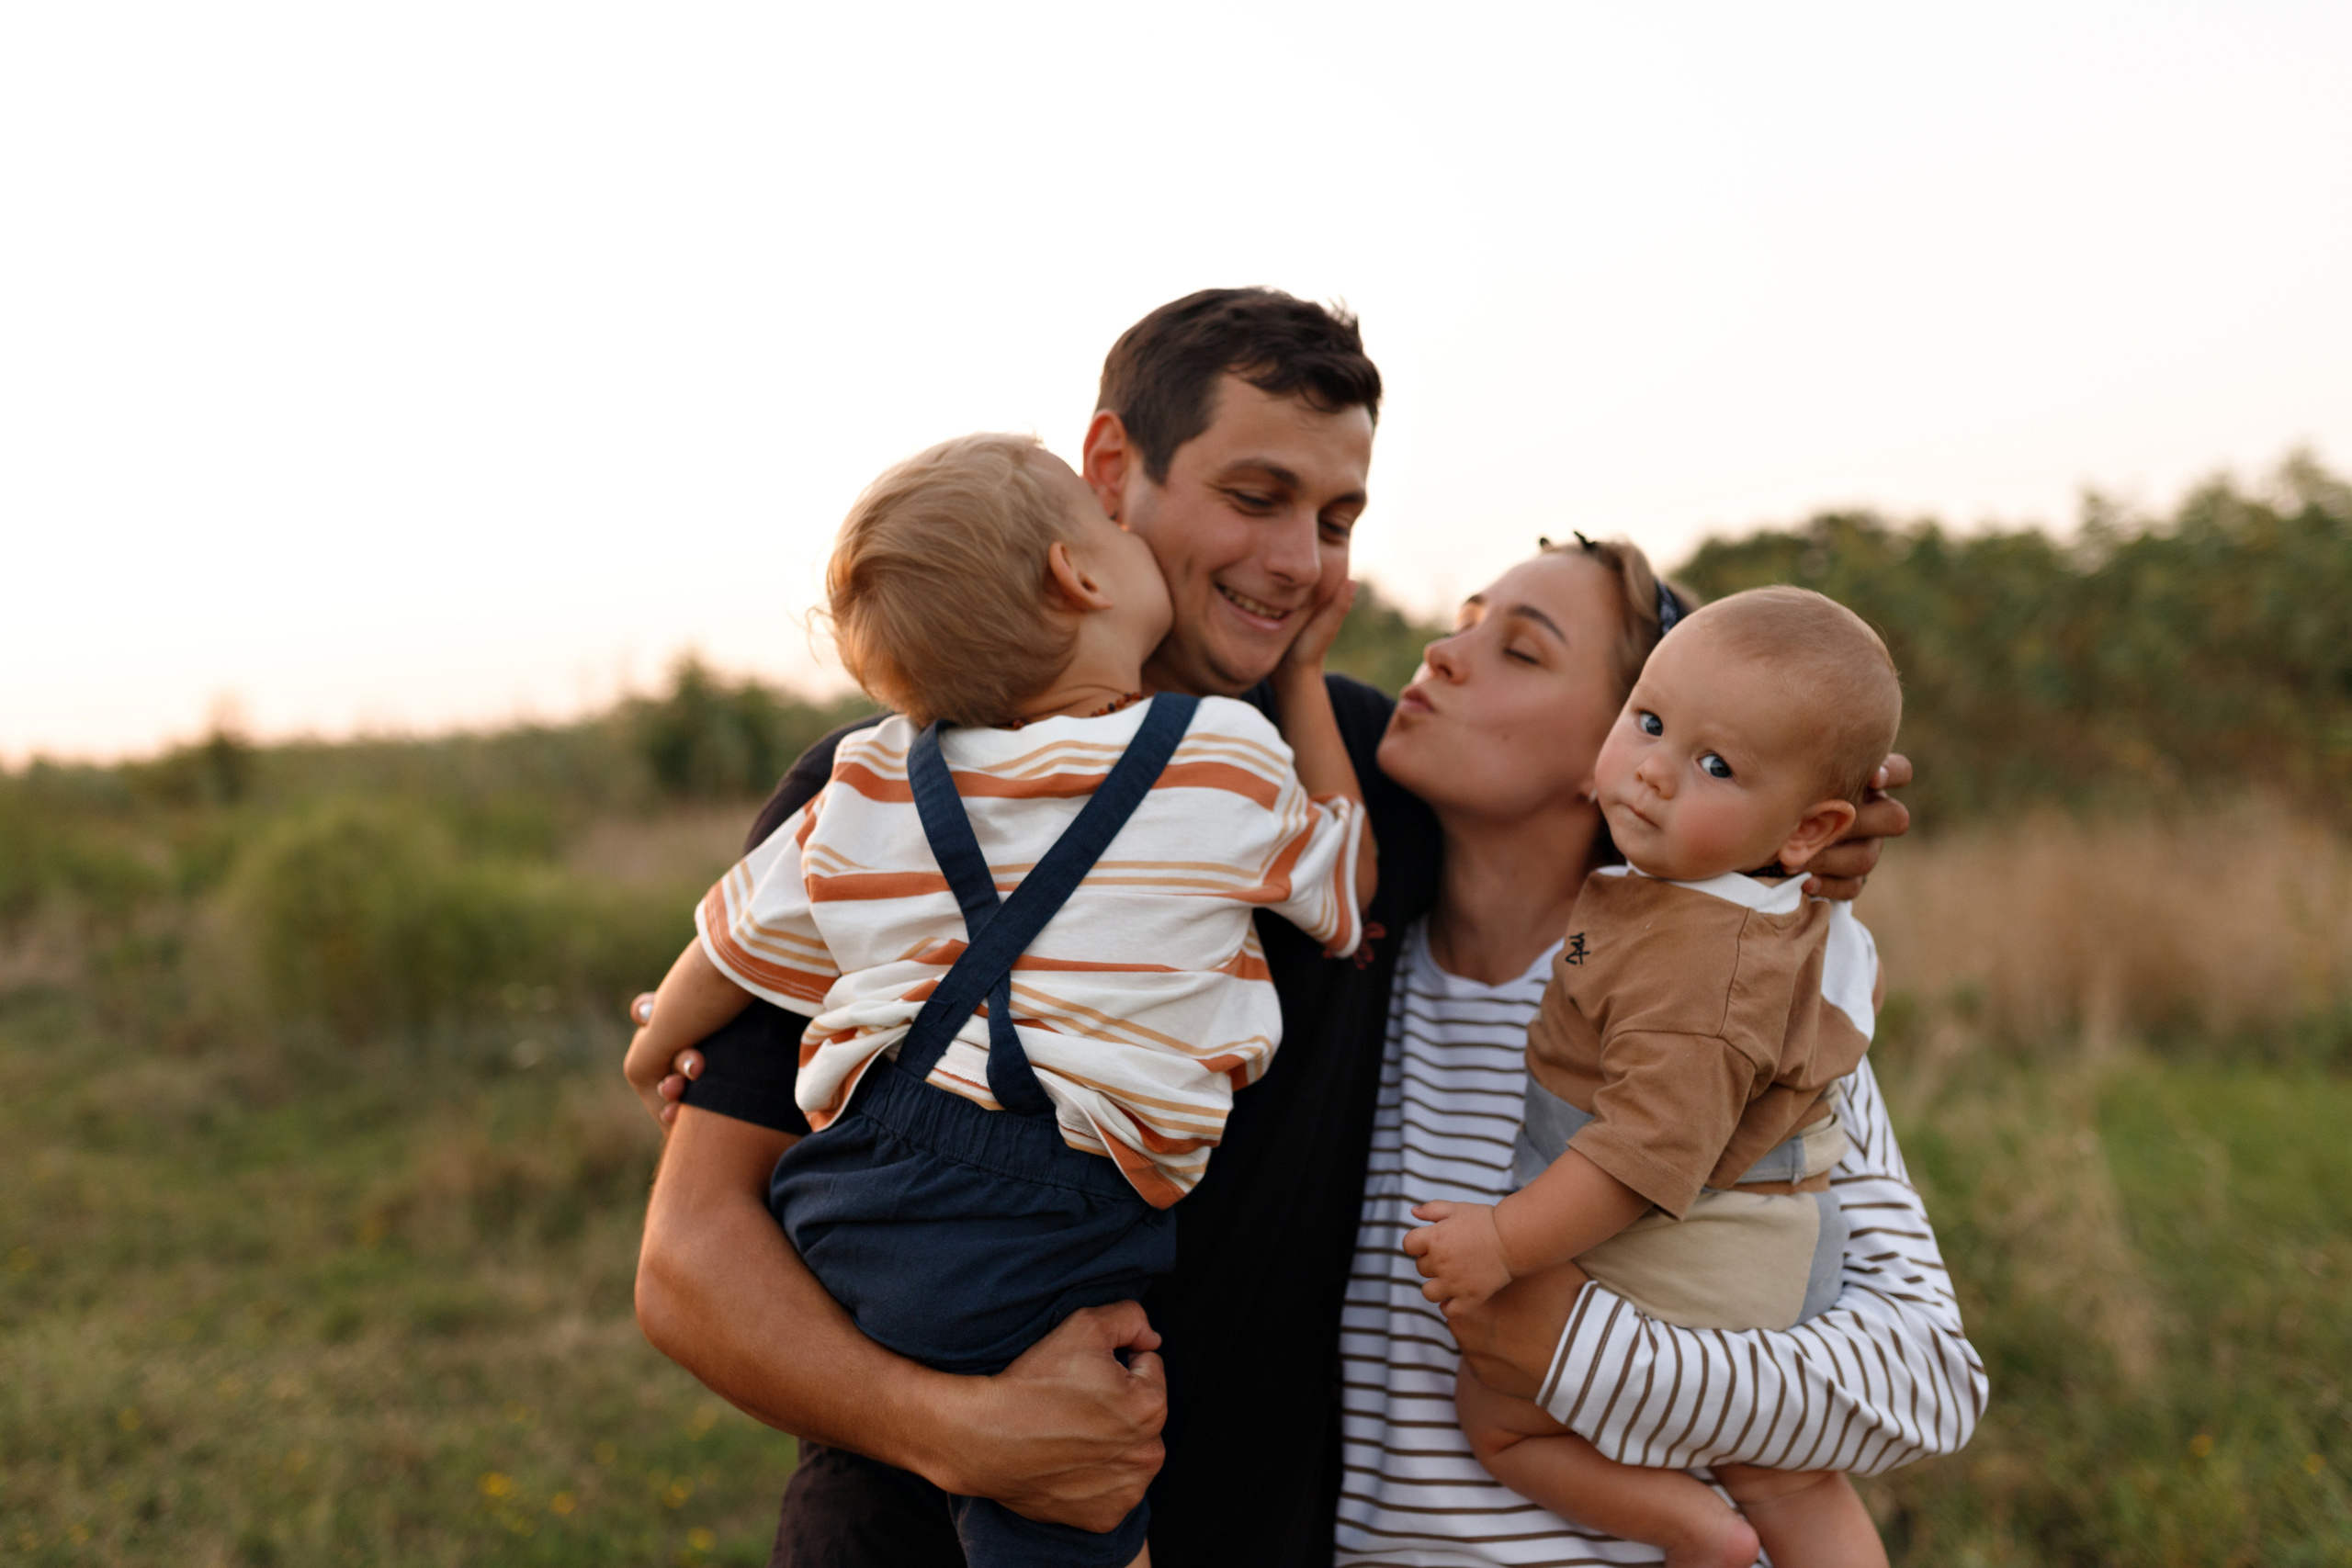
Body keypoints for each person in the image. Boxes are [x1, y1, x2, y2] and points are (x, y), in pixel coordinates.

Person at [629, 290, 1973, 1566]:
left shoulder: (1391, 773)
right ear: (1110, 469)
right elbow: (690, 1263)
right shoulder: (885, 787)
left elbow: (1659, 777)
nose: (1297, 561)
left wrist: (1809, 819)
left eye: (1337, 517)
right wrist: (971, 1433)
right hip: (907, 1533)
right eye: (1255, 496)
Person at [620, 431, 1373, 1567]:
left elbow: (731, 944)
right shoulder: (1222, 755)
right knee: (1075, 1484)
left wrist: (653, 1050)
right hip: (1051, 1208)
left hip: (854, 1199)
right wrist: (1303, 686)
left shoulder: (874, 773)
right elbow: (1345, 897)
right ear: (1079, 572)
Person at [1337, 541, 1981, 1566]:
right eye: (1463, 620)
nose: (1442, 654)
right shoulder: (1341, 984)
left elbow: (1926, 1385)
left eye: (1521, 651)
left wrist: (1575, 1351)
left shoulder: (1738, 987)